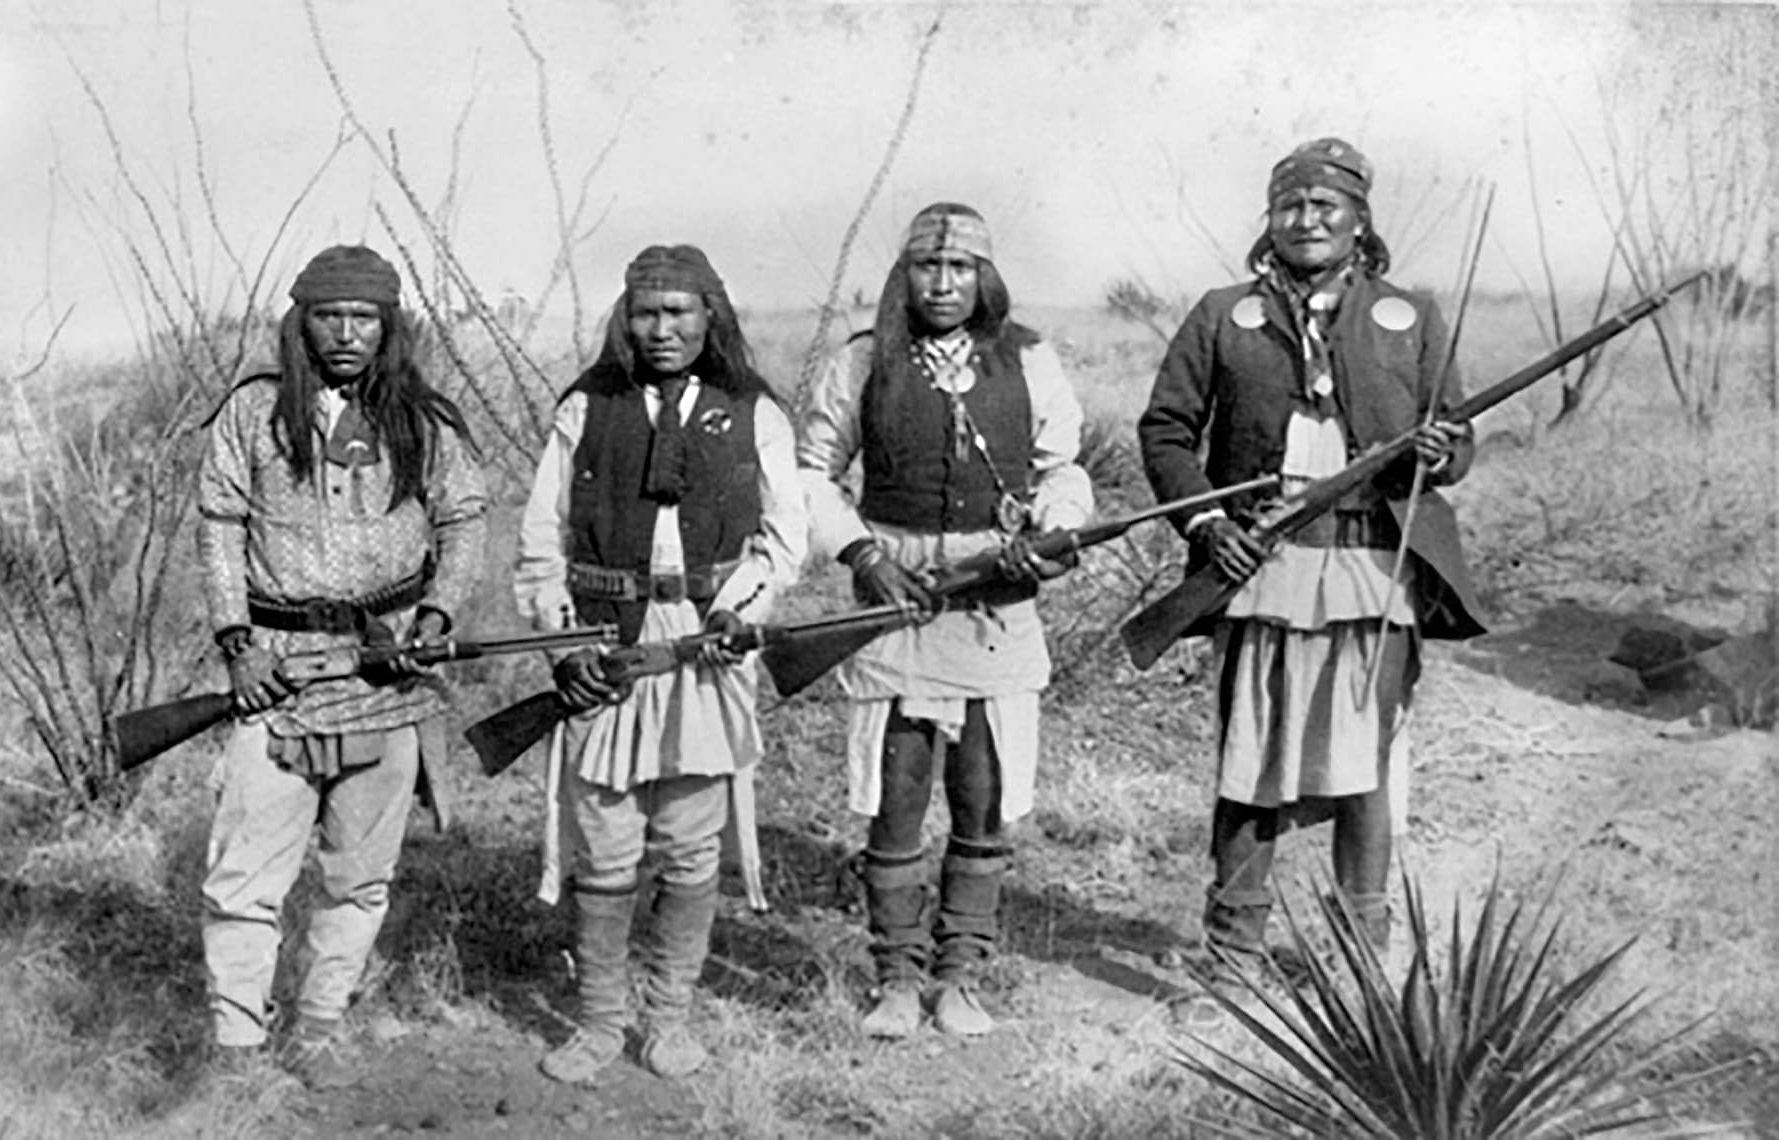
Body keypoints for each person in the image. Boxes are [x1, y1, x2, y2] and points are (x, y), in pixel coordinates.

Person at [1136, 138, 1485, 1018]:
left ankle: (1362, 964)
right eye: (1291, 204)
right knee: (1249, 764)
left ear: (1359, 219)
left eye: (1326, 205)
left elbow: (1458, 440)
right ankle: (1232, 961)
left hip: (1373, 573)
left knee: (1367, 769)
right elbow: (1166, 431)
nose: (1307, 220)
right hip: (1261, 570)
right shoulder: (1223, 315)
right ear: (1271, 219)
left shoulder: (1412, 315)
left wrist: (1440, 452)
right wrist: (1209, 526)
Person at [196, 244, 489, 1083]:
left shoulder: (423, 420)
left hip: (387, 676)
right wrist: (238, 644)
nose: (348, 334)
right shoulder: (253, 414)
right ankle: (237, 1049)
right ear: (303, 323)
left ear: (389, 327)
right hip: (277, 677)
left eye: (365, 318)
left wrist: (437, 613)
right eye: (330, 317)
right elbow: (218, 523)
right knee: (243, 879)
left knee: (359, 878)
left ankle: (318, 1028)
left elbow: (465, 517)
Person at [800, 202, 1093, 1039]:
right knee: (896, 795)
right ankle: (895, 977)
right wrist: (864, 555)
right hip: (897, 600)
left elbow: (1063, 468)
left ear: (983, 276)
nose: (942, 283)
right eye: (927, 267)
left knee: (981, 793)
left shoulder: (1028, 359)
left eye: (960, 268)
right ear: (906, 274)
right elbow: (813, 473)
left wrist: (1051, 532)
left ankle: (960, 975)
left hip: (994, 599)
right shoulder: (864, 361)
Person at [513, 244, 804, 1082]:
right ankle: (599, 1023)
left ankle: (668, 1020)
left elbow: (783, 538)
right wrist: (566, 640)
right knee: (605, 843)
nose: (662, 329)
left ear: (711, 315)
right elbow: (541, 537)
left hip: (703, 647)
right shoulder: (587, 407)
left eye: (679, 312)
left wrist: (738, 611)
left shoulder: (754, 411)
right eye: (646, 313)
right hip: (605, 640)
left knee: (688, 843)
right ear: (625, 319)